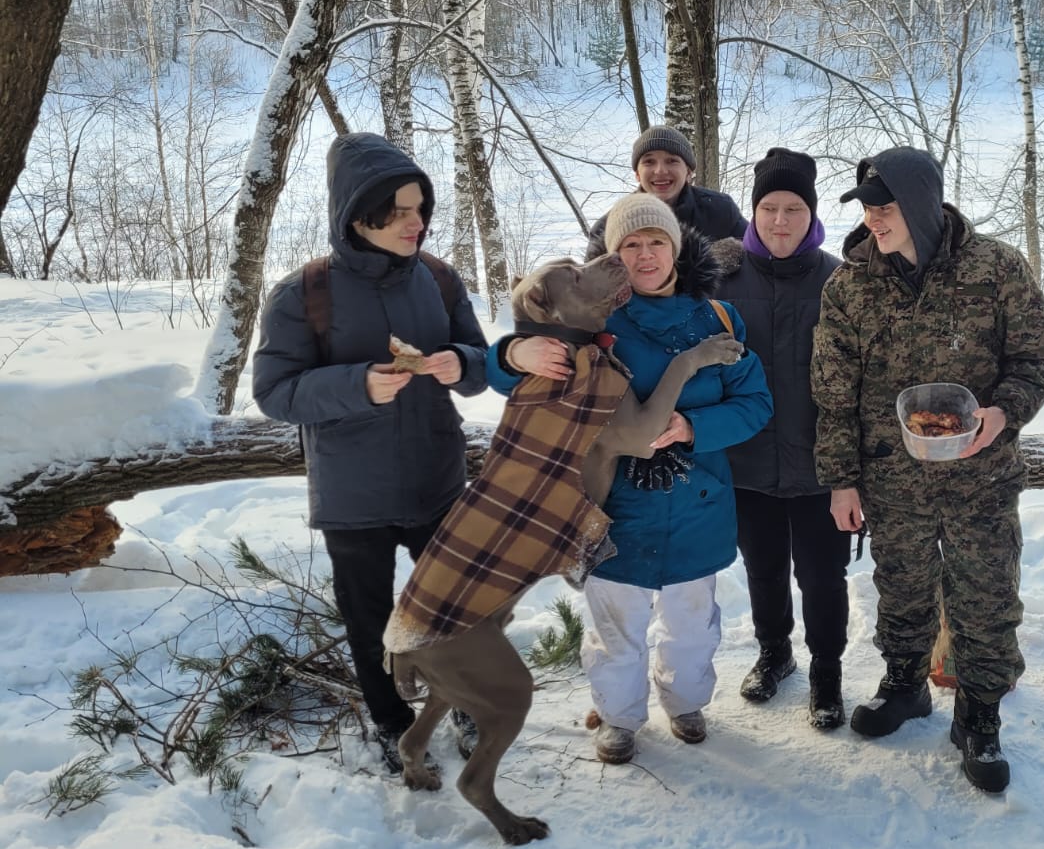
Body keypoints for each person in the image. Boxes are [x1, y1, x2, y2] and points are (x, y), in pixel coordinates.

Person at [488, 194, 772, 765]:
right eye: (631, 245)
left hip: (698, 501)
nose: (645, 255)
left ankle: (685, 703)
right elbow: (507, 378)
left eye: (656, 242)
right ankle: (618, 717)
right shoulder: (592, 318)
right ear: (614, 256)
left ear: (676, 248)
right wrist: (514, 354)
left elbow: (755, 403)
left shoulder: (718, 319)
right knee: (616, 627)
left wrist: (693, 427)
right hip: (614, 508)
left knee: (693, 625)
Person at [811, 146, 1044, 792]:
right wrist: (841, 480)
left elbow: (1035, 358)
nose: (873, 219)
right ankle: (905, 683)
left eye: (885, 207)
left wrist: (1004, 413)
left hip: (981, 475)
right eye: (867, 208)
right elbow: (834, 395)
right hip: (893, 478)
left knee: (986, 593)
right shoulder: (850, 287)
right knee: (901, 586)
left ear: (922, 205)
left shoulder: (995, 268)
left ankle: (979, 713)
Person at [253, 132, 488, 773]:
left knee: (457, 604)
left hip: (437, 478)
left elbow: (480, 362)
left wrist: (460, 363)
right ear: (359, 217)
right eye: (400, 212)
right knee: (369, 617)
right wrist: (357, 385)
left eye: (421, 209)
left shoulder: (439, 279)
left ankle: (467, 702)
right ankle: (392, 723)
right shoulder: (303, 293)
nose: (417, 223)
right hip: (353, 494)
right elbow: (274, 392)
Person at [715, 148, 851, 729]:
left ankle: (827, 671)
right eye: (768, 207)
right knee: (763, 569)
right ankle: (775, 653)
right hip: (746, 461)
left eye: (793, 208)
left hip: (821, 463)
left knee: (823, 576)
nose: (779, 220)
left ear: (811, 214)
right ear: (753, 211)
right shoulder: (720, 280)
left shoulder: (840, 280)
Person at [584, 125, 747, 260]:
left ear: (688, 172)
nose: (660, 170)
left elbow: (755, 257)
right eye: (649, 162)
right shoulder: (607, 228)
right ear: (637, 174)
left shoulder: (720, 210)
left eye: (672, 161)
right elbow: (592, 285)